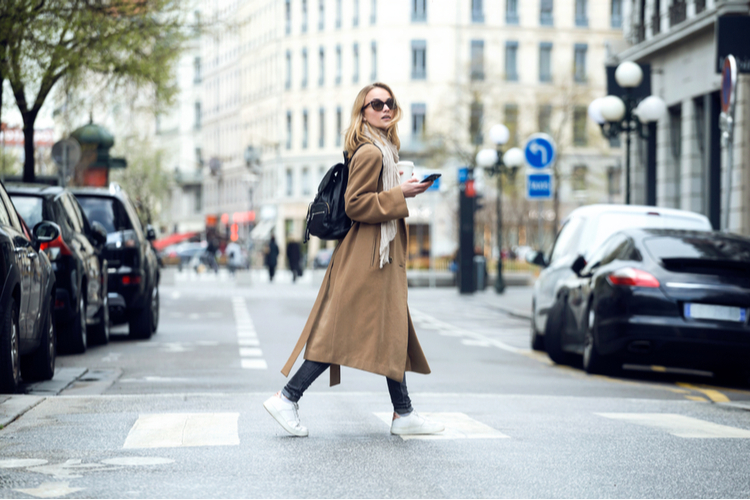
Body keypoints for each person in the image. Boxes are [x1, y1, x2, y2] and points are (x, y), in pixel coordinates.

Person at [263, 82, 443, 437]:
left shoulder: (385, 150)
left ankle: (403, 412)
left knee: (392, 330)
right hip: (366, 256)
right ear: (363, 111)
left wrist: (404, 190)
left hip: (377, 254)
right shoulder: (371, 153)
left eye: (390, 102)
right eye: (376, 104)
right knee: (341, 332)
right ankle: (287, 398)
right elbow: (355, 204)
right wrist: (399, 193)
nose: (385, 108)